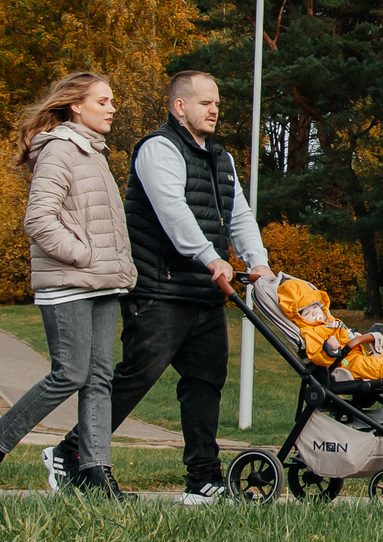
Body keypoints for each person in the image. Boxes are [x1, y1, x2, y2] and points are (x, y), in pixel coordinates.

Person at [44, 70, 269, 505]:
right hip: (159, 288)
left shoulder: (221, 159)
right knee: (136, 376)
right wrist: (212, 258)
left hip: (205, 293)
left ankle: (203, 478)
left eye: (217, 102)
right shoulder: (157, 149)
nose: (215, 109)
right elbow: (173, 212)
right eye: (205, 102)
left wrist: (257, 262)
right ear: (179, 106)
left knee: (205, 382)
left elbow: (239, 215)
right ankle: (70, 453)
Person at [0, 71, 137, 498]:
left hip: (101, 284)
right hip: (70, 283)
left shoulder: (93, 153)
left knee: (99, 379)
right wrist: (83, 255)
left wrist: (109, 267)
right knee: (70, 373)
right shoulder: (60, 150)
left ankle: (95, 475)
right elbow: (38, 220)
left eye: (112, 102)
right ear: (76, 105)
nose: (113, 109)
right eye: (104, 101)